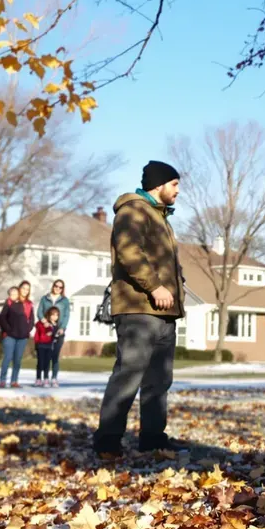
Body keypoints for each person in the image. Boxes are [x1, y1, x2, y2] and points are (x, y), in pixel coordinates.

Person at [93, 160, 187, 457]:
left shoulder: (161, 219)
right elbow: (128, 252)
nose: (178, 190)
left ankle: (153, 438)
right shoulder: (132, 210)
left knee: (159, 380)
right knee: (128, 374)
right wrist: (155, 286)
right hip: (138, 309)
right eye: (174, 184)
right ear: (158, 185)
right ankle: (107, 441)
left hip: (164, 313)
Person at [0, 286, 32, 388]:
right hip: (10, 336)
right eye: (12, 294)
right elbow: (1, 318)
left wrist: (27, 330)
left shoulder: (23, 305)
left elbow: (30, 319)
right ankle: (2, 380)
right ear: (9, 295)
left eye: (15, 293)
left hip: (22, 337)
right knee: (7, 358)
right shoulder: (7, 304)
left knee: (17, 360)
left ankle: (14, 381)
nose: (14, 295)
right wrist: (8, 330)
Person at [37, 280, 70, 387]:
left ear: (62, 289)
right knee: (46, 356)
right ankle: (44, 378)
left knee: (55, 356)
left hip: (58, 332)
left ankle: (54, 378)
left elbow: (66, 316)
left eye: (60, 287)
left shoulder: (64, 301)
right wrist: (44, 322)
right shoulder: (45, 298)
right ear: (53, 286)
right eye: (56, 286)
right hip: (47, 331)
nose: (58, 288)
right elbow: (39, 312)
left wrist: (62, 328)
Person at [34, 307, 62, 387]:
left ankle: (46, 379)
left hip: (50, 346)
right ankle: (38, 379)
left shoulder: (57, 325)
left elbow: (55, 335)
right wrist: (44, 323)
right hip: (41, 345)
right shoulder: (44, 323)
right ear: (49, 315)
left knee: (47, 363)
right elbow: (37, 325)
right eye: (53, 315)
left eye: (56, 315)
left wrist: (56, 334)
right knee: (40, 362)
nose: (54, 317)